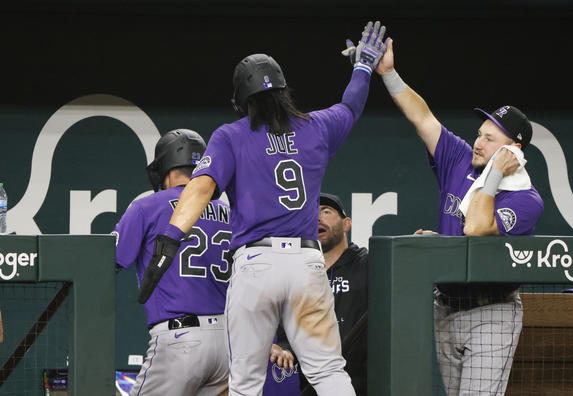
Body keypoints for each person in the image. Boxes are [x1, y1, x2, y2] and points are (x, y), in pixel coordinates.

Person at [136, 21, 388, 396]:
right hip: (306, 264)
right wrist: (364, 68)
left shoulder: (231, 135)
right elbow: (350, 105)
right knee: (330, 372)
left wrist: (170, 238)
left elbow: (201, 187)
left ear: (242, 99)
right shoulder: (316, 126)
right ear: (284, 89)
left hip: (257, 265)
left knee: (246, 383)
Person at [375, 39, 544, 395]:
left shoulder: (526, 199)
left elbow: (477, 226)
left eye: (489, 138)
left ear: (513, 149)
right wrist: (389, 74)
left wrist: (495, 174)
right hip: (446, 306)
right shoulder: (460, 160)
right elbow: (422, 116)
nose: (478, 143)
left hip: (491, 311)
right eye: (478, 134)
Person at [112, 129, 232, 395]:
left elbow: (107, 261)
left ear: (164, 167)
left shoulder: (148, 206)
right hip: (228, 343)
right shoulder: (228, 211)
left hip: (180, 339)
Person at [269, 193, 369, 395]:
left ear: (346, 224)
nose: (318, 218)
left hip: (365, 383)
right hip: (313, 384)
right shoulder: (299, 273)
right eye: (312, 213)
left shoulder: (368, 264)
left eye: (326, 211)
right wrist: (284, 347)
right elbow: (289, 322)